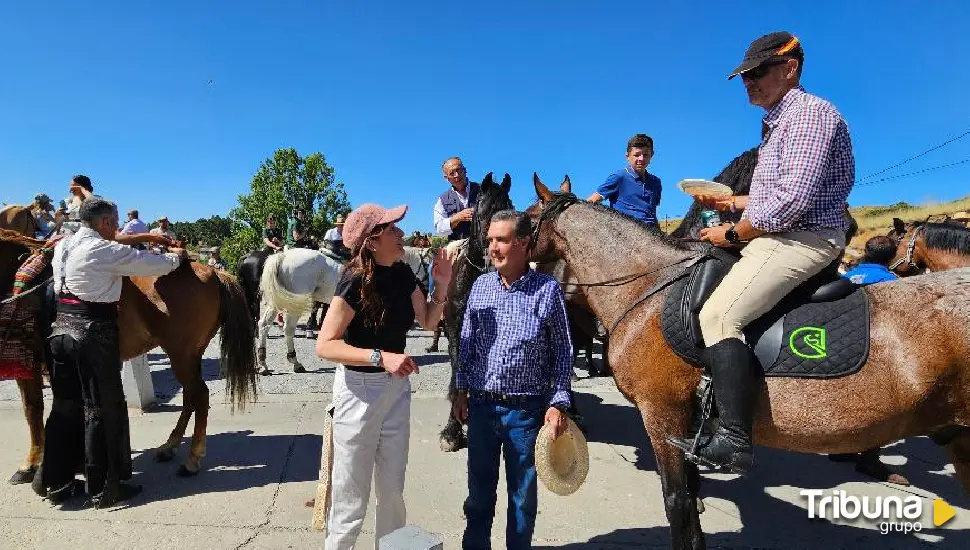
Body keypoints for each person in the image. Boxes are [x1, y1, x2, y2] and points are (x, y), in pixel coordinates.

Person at [668, 31, 855, 475]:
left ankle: (734, 438)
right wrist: (732, 203)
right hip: (781, 231)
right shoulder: (777, 122)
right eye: (744, 76)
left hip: (804, 237)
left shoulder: (811, 115)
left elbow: (790, 204)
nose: (748, 82)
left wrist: (732, 234)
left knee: (719, 315)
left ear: (790, 69)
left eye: (757, 73)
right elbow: (772, 195)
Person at [315, 203, 453, 549]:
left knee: (392, 494)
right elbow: (325, 345)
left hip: (395, 391)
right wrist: (381, 358)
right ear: (372, 240)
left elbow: (430, 321)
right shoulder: (354, 279)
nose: (401, 233)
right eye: (392, 228)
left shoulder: (404, 273)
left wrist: (441, 284)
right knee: (350, 497)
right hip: (358, 392)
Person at [39, 197, 184, 508]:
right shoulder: (102, 249)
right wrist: (177, 259)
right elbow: (147, 263)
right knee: (102, 408)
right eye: (114, 222)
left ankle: (56, 481)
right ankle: (104, 487)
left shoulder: (64, 244)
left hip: (60, 332)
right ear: (103, 223)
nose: (117, 227)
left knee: (64, 406)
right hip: (93, 334)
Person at [452, 210, 573, 548]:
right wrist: (461, 391)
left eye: (501, 240)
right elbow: (467, 341)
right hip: (482, 409)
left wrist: (558, 401)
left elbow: (563, 350)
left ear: (523, 243)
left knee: (522, 498)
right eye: (489, 239)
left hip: (526, 412)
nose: (492, 247)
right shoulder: (480, 286)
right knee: (478, 495)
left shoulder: (546, 290)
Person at [824, 235, 909, 485]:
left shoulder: (845, 277)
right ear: (892, 257)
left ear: (866, 253)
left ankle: (841, 449)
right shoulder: (893, 282)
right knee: (881, 406)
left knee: (846, 401)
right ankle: (870, 459)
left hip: (842, 348)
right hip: (875, 351)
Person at [586, 134, 663, 227]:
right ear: (627, 156)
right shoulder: (619, 177)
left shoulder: (656, 182)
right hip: (625, 233)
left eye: (645, 155)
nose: (641, 159)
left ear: (652, 155)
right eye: (637, 155)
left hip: (652, 233)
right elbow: (591, 201)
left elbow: (652, 213)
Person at [432, 157, 479, 241]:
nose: (456, 175)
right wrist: (457, 217)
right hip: (457, 249)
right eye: (452, 173)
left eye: (458, 170)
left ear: (465, 170)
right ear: (446, 178)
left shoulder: (484, 190)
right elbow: (439, 229)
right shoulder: (442, 199)